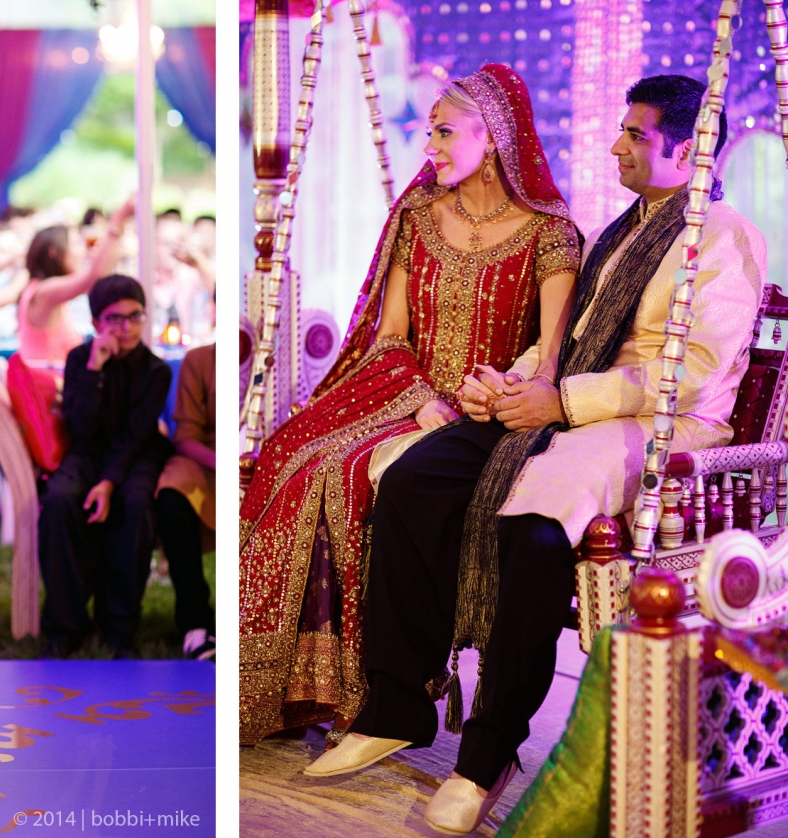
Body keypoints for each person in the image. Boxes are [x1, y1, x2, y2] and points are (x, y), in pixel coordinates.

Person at [306, 75, 766, 836]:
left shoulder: (722, 236)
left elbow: (694, 375)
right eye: (621, 130)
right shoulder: (622, 230)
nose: (616, 146)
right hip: (572, 403)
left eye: (636, 135)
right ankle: (395, 707)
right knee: (415, 479)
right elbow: (568, 341)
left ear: (687, 149)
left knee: (534, 523)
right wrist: (511, 384)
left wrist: (563, 403)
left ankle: (488, 755)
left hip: (662, 427)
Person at [239, 64, 582, 747]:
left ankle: (369, 693)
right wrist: (421, 398)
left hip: (486, 411)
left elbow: (548, 358)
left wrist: (488, 397)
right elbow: (391, 334)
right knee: (292, 455)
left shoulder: (550, 233)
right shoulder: (419, 215)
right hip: (406, 393)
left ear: (494, 137)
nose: (430, 146)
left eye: (445, 132)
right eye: (429, 132)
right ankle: (290, 687)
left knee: (349, 474)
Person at [38, 274, 173, 659]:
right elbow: (80, 428)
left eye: (135, 316)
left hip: (138, 454)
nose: (126, 327)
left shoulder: (156, 371)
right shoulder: (79, 360)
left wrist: (109, 483)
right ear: (97, 322)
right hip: (87, 452)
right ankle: (65, 626)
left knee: (136, 506)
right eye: (115, 318)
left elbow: (135, 436)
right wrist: (95, 370)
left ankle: (119, 627)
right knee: (59, 500)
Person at [18, 196, 135, 366]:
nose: (82, 251)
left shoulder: (42, 289)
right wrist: (118, 221)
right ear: (53, 252)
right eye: (76, 244)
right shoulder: (45, 291)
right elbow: (93, 278)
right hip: (48, 381)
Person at [155, 341, 216, 660]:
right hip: (209, 461)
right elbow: (185, 437)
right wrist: (223, 462)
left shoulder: (283, 354)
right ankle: (195, 622)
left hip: (269, 459)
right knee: (171, 495)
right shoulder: (200, 359)